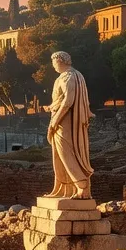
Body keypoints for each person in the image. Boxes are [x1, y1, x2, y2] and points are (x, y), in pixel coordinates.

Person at [46, 51, 93, 199]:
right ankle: (64, 189)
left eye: (54, 63)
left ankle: (82, 186)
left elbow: (68, 102)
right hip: (63, 118)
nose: (53, 66)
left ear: (61, 61)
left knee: (66, 153)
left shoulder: (69, 76)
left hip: (65, 121)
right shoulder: (70, 75)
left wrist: (55, 120)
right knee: (59, 154)